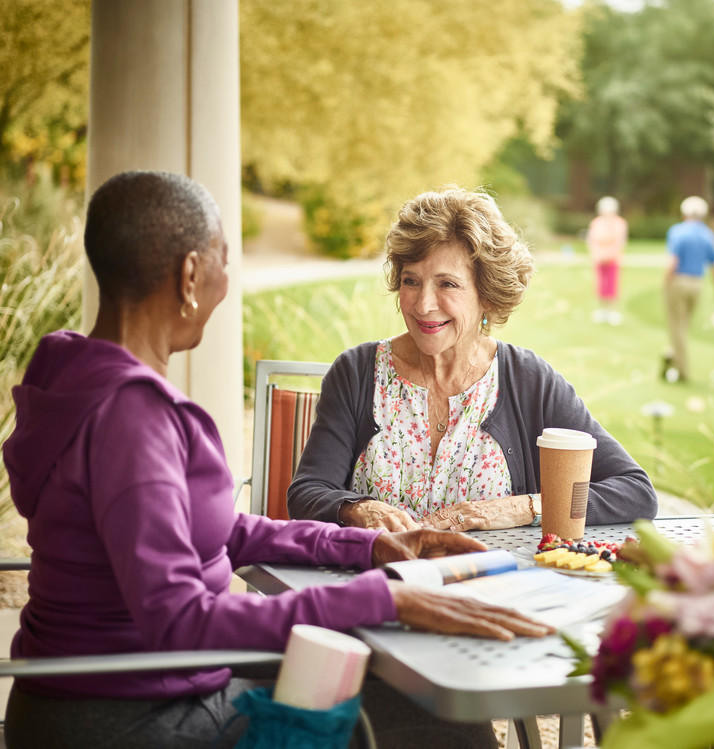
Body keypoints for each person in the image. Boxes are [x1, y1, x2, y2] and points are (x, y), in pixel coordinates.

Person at [0, 171, 551, 749]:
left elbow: (208, 530)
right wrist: (384, 598)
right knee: (431, 719)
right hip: (137, 715)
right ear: (190, 274)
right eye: (222, 259)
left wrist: (368, 547)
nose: (225, 280)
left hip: (109, 688)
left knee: (405, 692)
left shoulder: (73, 375)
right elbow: (182, 619)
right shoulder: (131, 418)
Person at [287, 187, 658, 532]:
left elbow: (635, 492)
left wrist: (522, 508)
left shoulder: (528, 381)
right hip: (378, 589)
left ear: (488, 295)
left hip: (490, 591)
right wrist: (358, 508)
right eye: (411, 281)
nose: (423, 304)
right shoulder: (356, 372)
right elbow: (308, 492)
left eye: (447, 284)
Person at [662, 195, 714, 383]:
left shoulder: (677, 231)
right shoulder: (708, 234)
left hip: (679, 282)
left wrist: (665, 282)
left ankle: (682, 371)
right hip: (697, 284)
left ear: (684, 213)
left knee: (677, 328)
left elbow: (673, 262)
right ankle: (669, 355)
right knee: (683, 326)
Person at [586, 195, 628, 325]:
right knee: (601, 285)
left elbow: (620, 242)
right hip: (599, 259)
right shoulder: (596, 223)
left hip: (613, 259)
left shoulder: (619, 223)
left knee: (612, 285)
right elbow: (592, 241)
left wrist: (609, 255)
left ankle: (611, 311)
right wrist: (597, 254)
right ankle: (602, 311)